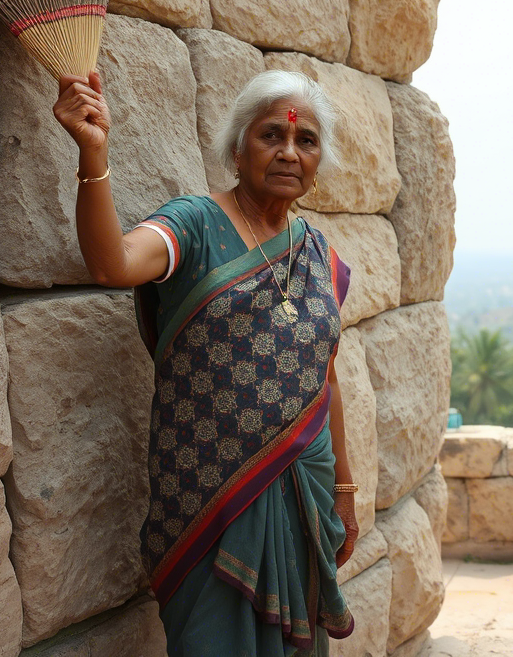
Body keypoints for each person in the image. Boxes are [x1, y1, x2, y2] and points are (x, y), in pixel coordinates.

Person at [53, 68, 358, 656]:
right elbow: (112, 265)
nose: (290, 152)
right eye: (272, 135)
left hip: (304, 490)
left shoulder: (319, 254)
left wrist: (343, 488)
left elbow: (326, 376)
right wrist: (94, 153)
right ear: (238, 149)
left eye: (306, 141)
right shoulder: (193, 223)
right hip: (205, 497)